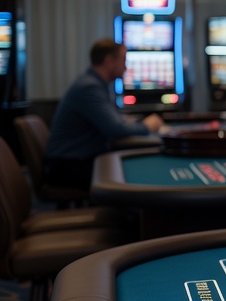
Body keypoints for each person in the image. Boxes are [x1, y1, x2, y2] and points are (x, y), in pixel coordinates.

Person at [46, 39, 164, 190]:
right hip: (68, 166)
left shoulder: (95, 84)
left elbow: (114, 122)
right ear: (109, 61)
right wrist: (147, 126)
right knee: (143, 172)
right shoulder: (89, 87)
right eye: (123, 61)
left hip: (75, 160)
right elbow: (116, 129)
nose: (126, 67)